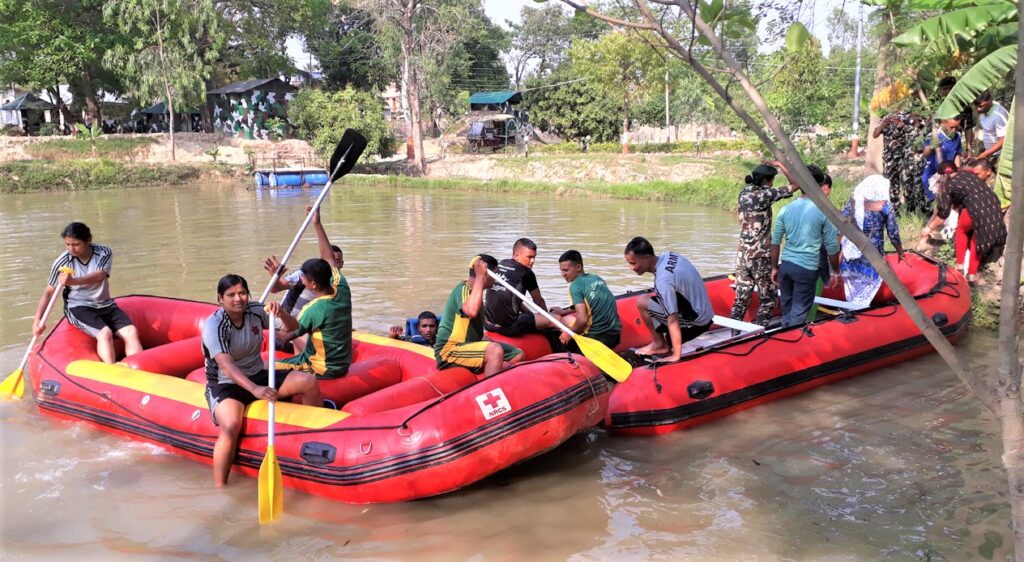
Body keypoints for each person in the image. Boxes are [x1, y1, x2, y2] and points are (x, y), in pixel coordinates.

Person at [202, 274, 322, 487]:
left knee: (308, 382)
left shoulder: (256, 311)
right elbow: (226, 365)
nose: (238, 299)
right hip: (226, 384)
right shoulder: (215, 325)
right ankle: (220, 487)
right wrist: (254, 389)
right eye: (231, 295)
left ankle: (317, 442)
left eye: (242, 293)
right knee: (230, 425)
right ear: (220, 298)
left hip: (258, 374)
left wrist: (281, 313)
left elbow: (293, 328)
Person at [34, 222, 143, 364]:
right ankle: (111, 373)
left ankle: (140, 371)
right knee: (105, 334)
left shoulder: (104, 252)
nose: (71, 249)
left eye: (76, 244)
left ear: (88, 241)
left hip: (105, 304)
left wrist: (73, 281)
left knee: (131, 332)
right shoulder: (63, 261)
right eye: (67, 244)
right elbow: (49, 291)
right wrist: (37, 320)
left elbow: (100, 275)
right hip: (78, 306)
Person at [263, 206, 343, 350]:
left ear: (342, 264)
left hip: (302, 329)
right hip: (284, 326)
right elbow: (276, 288)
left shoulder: (338, 286)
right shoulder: (304, 274)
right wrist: (275, 275)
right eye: (333, 260)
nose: (335, 264)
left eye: (339, 261)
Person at [770, 167, 841, 327]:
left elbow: (775, 242)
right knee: (798, 315)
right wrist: (835, 271)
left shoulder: (785, 209)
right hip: (806, 268)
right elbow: (832, 247)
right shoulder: (823, 212)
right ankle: (793, 344)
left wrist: (774, 267)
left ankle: (784, 337)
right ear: (817, 186)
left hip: (786, 266)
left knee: (787, 311)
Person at [624, 237, 713, 362]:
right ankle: (660, 343)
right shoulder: (669, 255)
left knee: (642, 302)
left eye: (633, 263)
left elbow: (672, 319)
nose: (631, 268)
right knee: (650, 300)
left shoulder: (663, 281)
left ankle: (660, 344)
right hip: (703, 310)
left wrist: (676, 355)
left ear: (647, 258)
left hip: (697, 322)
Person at [730, 161, 797, 326]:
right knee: (768, 299)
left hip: (742, 254)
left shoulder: (743, 193)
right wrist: (781, 164)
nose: (773, 184)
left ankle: (734, 331)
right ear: (766, 180)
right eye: (772, 180)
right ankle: (760, 334)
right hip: (760, 255)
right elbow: (796, 184)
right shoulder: (764, 195)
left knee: (741, 297)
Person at [435, 255, 524, 378]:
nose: (497, 279)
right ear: (486, 274)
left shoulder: (476, 292)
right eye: (495, 274)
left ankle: (487, 375)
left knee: (517, 354)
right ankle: (490, 389)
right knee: (495, 351)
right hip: (450, 350)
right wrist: (480, 277)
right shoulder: (463, 290)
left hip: (470, 345)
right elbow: (471, 311)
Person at [921, 165, 1006, 283]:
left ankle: (960, 265)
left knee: (961, 231)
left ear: (941, 175)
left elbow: (942, 215)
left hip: (975, 207)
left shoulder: (948, 184)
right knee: (977, 239)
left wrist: (928, 228)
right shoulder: (969, 175)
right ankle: (972, 275)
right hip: (993, 206)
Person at [273, 256, 352, 379]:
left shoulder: (312, 308)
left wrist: (270, 329)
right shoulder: (342, 288)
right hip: (342, 364)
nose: (302, 281)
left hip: (320, 368)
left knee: (265, 367)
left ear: (313, 284)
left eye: (304, 279)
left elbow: (288, 335)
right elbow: (329, 258)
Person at [839, 175, 906, 306]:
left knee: (852, 291)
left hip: (850, 257)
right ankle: (856, 314)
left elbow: (840, 229)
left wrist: (838, 256)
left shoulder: (852, 203)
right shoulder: (885, 206)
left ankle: (852, 312)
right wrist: (901, 252)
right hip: (872, 258)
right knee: (866, 291)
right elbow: (893, 233)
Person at [551, 250, 622, 351]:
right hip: (616, 335)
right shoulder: (596, 278)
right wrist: (565, 311)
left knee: (561, 337)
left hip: (597, 339)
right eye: (561, 270)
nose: (563, 274)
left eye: (566, 270)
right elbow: (591, 303)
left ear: (578, 267)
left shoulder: (575, 286)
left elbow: (582, 319)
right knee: (566, 319)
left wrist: (568, 333)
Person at [484, 238, 555, 336]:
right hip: (509, 328)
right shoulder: (527, 273)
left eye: (534, 257)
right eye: (529, 257)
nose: (532, 261)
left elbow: (509, 299)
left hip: (488, 324)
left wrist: (529, 314)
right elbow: (538, 301)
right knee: (556, 318)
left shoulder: (500, 264)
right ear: (516, 255)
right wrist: (546, 320)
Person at [872, 110, 926, 215]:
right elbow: (875, 134)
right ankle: (894, 210)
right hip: (889, 158)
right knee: (891, 184)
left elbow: (921, 126)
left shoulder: (908, 116)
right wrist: (883, 124)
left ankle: (911, 209)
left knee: (907, 184)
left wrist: (903, 123)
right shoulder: (886, 117)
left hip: (905, 157)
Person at [921, 116, 964, 206]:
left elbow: (956, 154)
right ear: (943, 122)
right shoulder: (934, 135)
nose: (953, 130)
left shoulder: (957, 136)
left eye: (956, 127)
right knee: (936, 202)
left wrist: (957, 170)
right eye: (951, 127)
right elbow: (925, 154)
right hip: (933, 173)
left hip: (949, 173)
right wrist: (932, 145)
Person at [937, 76, 975, 155]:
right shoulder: (935, 106)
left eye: (951, 88)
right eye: (945, 89)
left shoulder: (964, 106)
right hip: (935, 145)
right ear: (940, 90)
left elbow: (968, 128)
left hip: (954, 146)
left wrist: (969, 149)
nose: (948, 91)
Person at [973, 91, 1009, 165]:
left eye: (981, 106)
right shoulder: (985, 110)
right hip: (989, 152)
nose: (978, 109)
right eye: (976, 106)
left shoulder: (998, 116)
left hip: (999, 155)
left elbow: (1003, 139)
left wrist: (985, 154)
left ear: (989, 101)